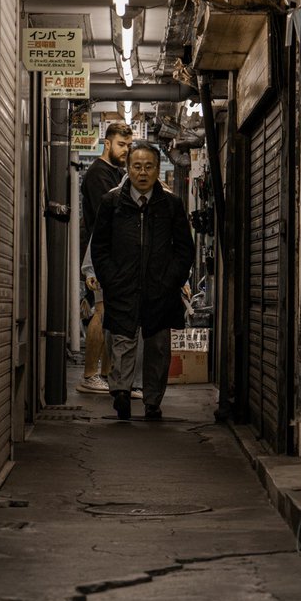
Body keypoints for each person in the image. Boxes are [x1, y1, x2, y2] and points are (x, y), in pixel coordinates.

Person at [91, 140, 194, 421]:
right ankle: (121, 392)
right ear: (128, 168)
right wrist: (110, 279)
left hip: (160, 290)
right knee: (122, 341)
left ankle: (152, 401)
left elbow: (185, 249)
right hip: (122, 287)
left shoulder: (171, 204)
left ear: (158, 169)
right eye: (137, 166)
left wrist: (171, 280)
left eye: (149, 166)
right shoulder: (111, 202)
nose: (143, 172)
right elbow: (99, 247)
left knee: (158, 347)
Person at [76, 121, 132, 392]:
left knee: (111, 313)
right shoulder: (99, 173)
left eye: (129, 145)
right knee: (101, 311)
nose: (126, 150)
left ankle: (108, 374)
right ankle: (89, 375)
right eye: (122, 145)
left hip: (111, 254)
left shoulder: (114, 173)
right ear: (107, 143)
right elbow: (109, 214)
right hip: (98, 255)